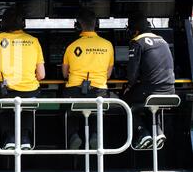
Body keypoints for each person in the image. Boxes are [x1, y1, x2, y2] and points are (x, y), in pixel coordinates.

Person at [0, 9, 45, 150]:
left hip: (6, 93)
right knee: (27, 105)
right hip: (30, 93)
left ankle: (10, 137)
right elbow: (41, 75)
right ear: (23, 24)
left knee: (4, 106)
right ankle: (25, 138)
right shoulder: (34, 41)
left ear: (3, 24)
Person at [62, 8, 114, 150]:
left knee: (68, 108)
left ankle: (73, 135)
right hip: (99, 93)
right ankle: (95, 134)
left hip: (75, 92)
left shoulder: (71, 46)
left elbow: (65, 74)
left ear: (78, 25)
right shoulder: (108, 45)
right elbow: (108, 75)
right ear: (96, 24)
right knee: (95, 112)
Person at [123, 14, 175, 149]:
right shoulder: (162, 40)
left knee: (125, 101)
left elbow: (132, 74)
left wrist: (128, 86)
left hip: (151, 90)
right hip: (170, 91)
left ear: (134, 30)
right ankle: (157, 131)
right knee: (150, 105)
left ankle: (142, 132)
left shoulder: (137, 42)